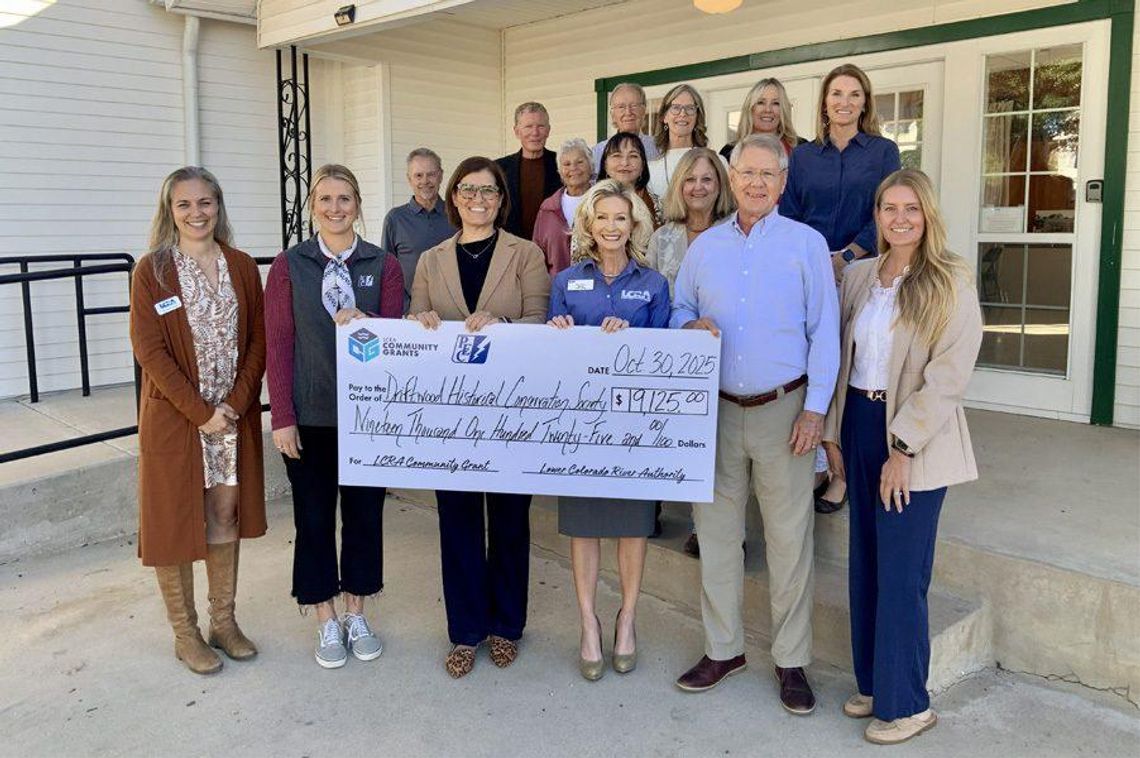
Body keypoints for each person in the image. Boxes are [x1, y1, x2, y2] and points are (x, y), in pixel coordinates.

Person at [671, 134, 839, 716]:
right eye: (746, 172)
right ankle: (724, 649)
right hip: (715, 412)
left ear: (784, 181)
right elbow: (679, 308)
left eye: (769, 173)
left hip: (785, 412)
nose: (757, 183)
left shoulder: (806, 245)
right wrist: (688, 326)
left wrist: (816, 410)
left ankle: (791, 661)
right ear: (731, 177)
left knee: (790, 542)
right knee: (716, 537)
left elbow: (825, 333)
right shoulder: (705, 247)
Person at [822, 169, 982, 745]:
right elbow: (845, 358)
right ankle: (875, 685)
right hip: (860, 423)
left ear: (928, 213)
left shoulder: (949, 279)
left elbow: (948, 376)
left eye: (910, 208)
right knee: (865, 561)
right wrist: (834, 434)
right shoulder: (863, 275)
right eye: (889, 208)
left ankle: (909, 703)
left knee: (900, 572)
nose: (899, 218)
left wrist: (903, 448)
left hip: (915, 433)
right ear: (878, 214)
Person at [408, 156, 551, 679]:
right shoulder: (430, 259)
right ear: (454, 197)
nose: (478, 199)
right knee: (459, 522)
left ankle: (506, 627)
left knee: (510, 521)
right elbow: (414, 324)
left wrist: (503, 323)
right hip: (451, 418)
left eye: (489, 191)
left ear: (501, 200)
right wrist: (418, 320)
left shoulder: (526, 254)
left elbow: (539, 321)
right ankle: (466, 631)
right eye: (468, 190)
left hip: (512, 411)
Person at [265, 163, 404, 669]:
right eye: (324, 199)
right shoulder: (290, 265)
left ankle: (356, 611)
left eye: (344, 199)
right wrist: (282, 415)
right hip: (311, 414)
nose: (335, 208)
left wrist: (368, 323)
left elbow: (396, 337)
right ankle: (324, 616)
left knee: (365, 518)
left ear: (358, 205)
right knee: (315, 520)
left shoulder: (382, 264)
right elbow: (278, 343)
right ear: (312, 207)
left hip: (367, 418)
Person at [130, 166, 267, 674]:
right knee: (173, 522)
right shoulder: (154, 271)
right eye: (184, 204)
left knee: (223, 515)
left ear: (218, 206)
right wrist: (200, 412)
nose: (196, 213)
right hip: (178, 422)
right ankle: (185, 634)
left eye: (205, 202)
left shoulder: (241, 265)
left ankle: (223, 623)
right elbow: (150, 351)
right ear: (170, 211)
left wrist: (234, 402)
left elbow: (257, 340)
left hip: (231, 418)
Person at [547, 179, 671, 681]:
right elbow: (549, 362)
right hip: (579, 428)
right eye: (603, 218)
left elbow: (668, 356)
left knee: (631, 528)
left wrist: (634, 338)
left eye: (622, 218)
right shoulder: (566, 282)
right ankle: (588, 624)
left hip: (635, 430)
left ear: (634, 224)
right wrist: (558, 334)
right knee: (583, 528)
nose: (612, 227)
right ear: (588, 226)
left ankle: (626, 619)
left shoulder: (656, 284)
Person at [780, 62, 901, 514]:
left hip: (865, 271)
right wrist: (816, 261)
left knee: (854, 368)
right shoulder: (804, 157)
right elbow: (789, 214)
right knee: (816, 369)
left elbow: (887, 211)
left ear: (865, 102)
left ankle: (843, 475)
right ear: (824, 103)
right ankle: (821, 462)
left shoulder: (883, 152)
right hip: (810, 275)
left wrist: (847, 256)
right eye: (836, 94)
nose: (844, 102)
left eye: (853, 94)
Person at [645, 146, 735, 558]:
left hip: (727, 352)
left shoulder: (737, 231)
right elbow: (649, 293)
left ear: (720, 185)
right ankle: (654, 505)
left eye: (707, 179)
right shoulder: (662, 238)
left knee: (721, 449)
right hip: (672, 354)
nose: (698, 187)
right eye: (690, 179)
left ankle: (713, 529)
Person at [380, 147, 455, 310]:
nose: (425, 181)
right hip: (411, 316)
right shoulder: (395, 219)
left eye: (431, 174)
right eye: (418, 175)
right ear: (409, 179)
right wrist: (406, 309)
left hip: (453, 315)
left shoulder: (457, 216)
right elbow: (387, 272)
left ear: (441, 175)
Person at [495, 102, 560, 240]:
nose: (535, 133)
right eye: (528, 127)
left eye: (540, 126)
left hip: (551, 250)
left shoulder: (562, 165)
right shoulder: (499, 168)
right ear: (517, 131)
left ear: (548, 130)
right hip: (512, 250)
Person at [647, 83, 724, 198]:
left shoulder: (717, 162)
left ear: (697, 116)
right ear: (664, 117)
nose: (683, 114)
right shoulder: (650, 169)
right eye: (676, 108)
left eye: (690, 108)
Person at [533, 138, 593, 275]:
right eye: (566, 164)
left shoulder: (603, 202)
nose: (573, 168)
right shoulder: (548, 208)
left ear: (591, 165)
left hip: (596, 289)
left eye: (580, 162)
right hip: (557, 289)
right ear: (560, 171)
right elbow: (537, 254)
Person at [719, 77, 806, 161]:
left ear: (783, 110)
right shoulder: (729, 152)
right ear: (750, 108)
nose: (768, 109)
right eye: (761, 103)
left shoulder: (802, 148)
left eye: (775, 103)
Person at [598, 131, 663, 230]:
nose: (625, 163)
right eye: (617, 155)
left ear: (643, 165)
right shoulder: (591, 202)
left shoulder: (657, 204)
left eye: (633, 156)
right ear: (605, 165)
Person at [591, 82, 660, 173]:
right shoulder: (598, 152)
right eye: (621, 107)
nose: (628, 112)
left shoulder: (658, 148)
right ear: (613, 114)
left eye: (634, 106)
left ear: (643, 110)